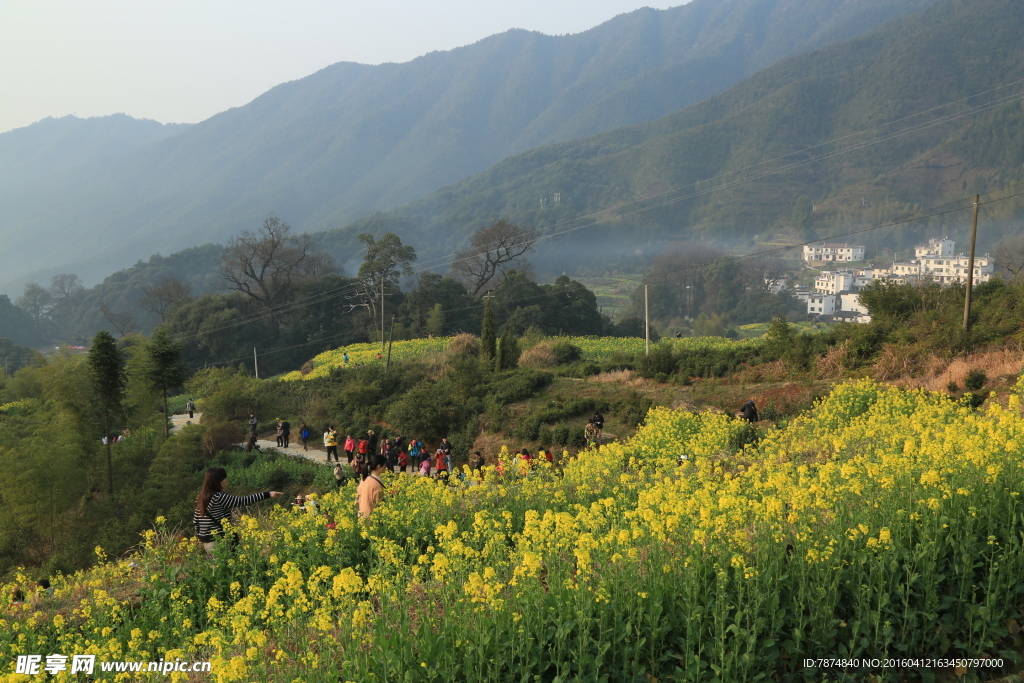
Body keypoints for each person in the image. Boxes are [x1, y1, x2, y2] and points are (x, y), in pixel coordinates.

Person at [193, 467, 281, 555]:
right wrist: (268, 494)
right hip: (219, 541)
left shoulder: (200, 497)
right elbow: (243, 501)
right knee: (226, 567)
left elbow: (196, 521)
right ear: (218, 481)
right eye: (224, 478)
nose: (226, 480)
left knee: (217, 568)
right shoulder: (219, 497)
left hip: (207, 544)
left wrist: (201, 536)